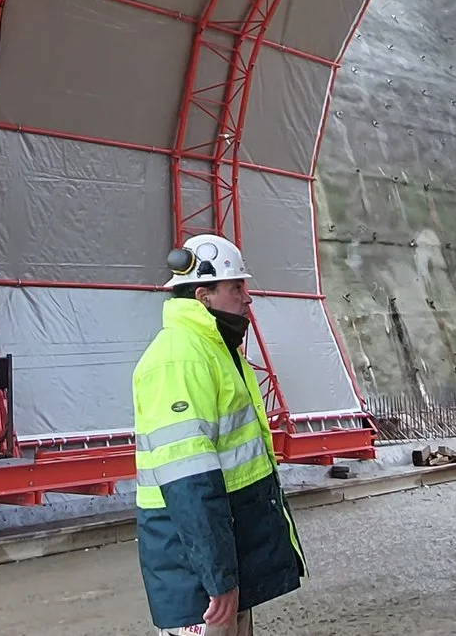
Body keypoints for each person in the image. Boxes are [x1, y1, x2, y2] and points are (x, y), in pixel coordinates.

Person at [133, 234, 303, 635]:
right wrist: (217, 577)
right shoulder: (181, 358)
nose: (247, 298)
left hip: (217, 565)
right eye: (236, 287)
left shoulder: (214, 349)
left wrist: (227, 574)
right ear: (204, 295)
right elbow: (188, 481)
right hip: (197, 576)